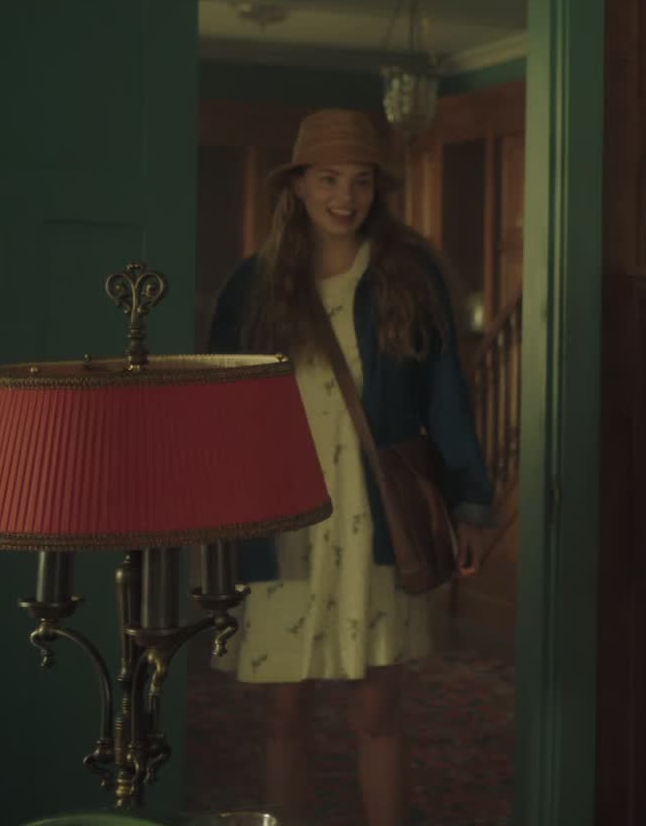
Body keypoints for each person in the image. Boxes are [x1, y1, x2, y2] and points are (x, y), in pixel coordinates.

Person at [207, 108, 499, 826]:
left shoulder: (409, 276)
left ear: (377, 190)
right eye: (329, 179)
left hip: (378, 520)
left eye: (361, 181)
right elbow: (216, 409)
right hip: (282, 522)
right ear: (298, 185)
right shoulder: (252, 286)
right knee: (284, 712)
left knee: (378, 710)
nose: (346, 197)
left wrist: (469, 503)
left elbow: (446, 397)